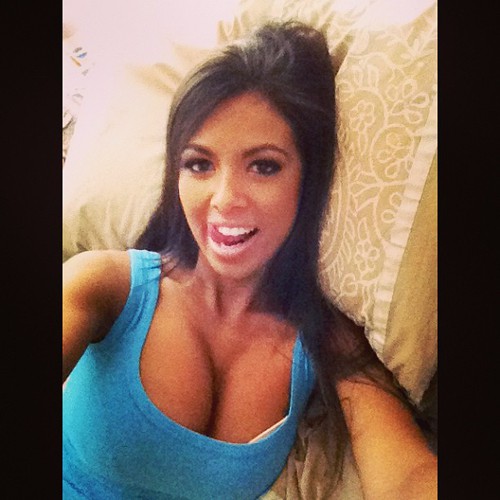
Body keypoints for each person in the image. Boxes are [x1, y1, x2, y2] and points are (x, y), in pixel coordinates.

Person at [63, 21, 437, 499]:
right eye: (199, 164)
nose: (224, 199)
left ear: (310, 180)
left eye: (263, 166)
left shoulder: (325, 339)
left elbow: (407, 476)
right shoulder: (104, 287)